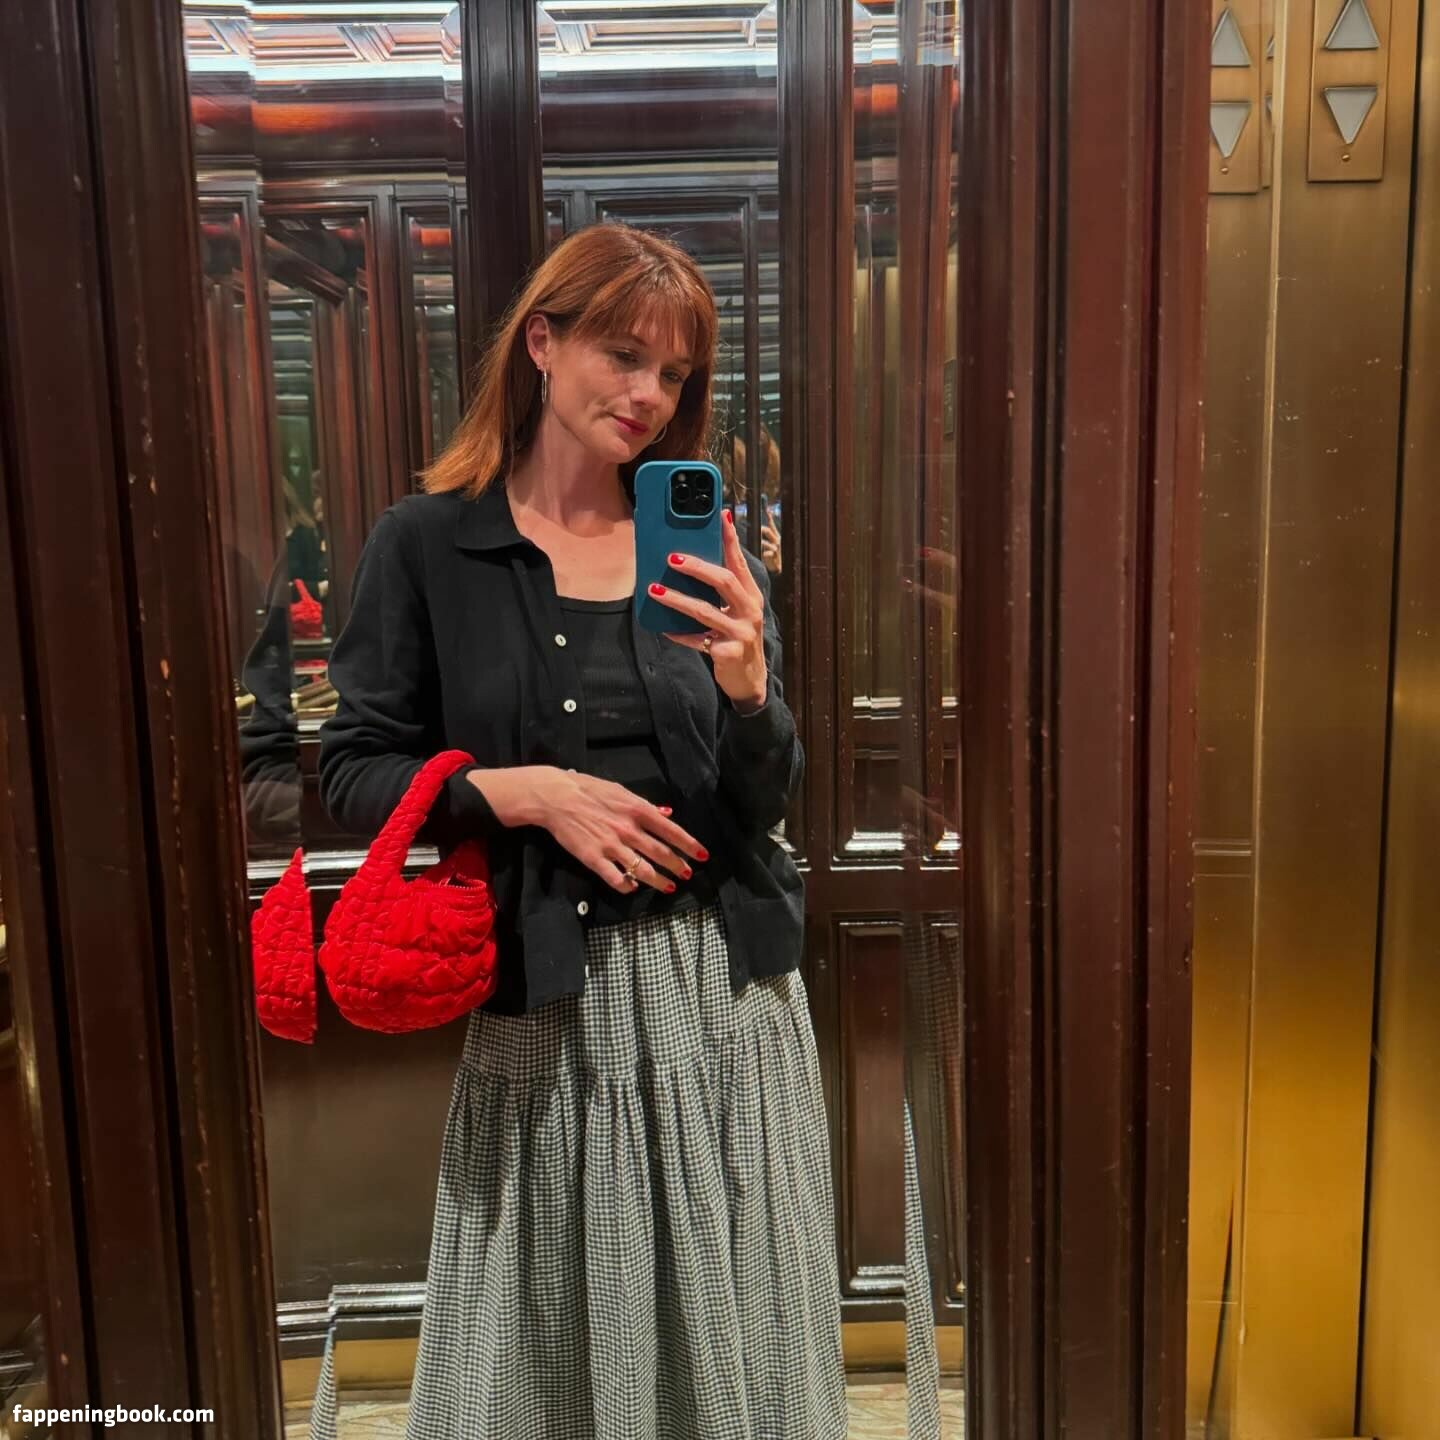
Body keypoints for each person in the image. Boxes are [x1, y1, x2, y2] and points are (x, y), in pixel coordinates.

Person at [316, 223, 848, 1440]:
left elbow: (767, 798)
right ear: (543, 344)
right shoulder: (429, 546)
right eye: (623, 355)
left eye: (674, 373)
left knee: (738, 1329)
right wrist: (524, 792)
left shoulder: (705, 549)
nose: (649, 394)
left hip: (726, 996)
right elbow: (351, 770)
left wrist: (751, 688)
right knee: (548, 1339)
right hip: (550, 1005)